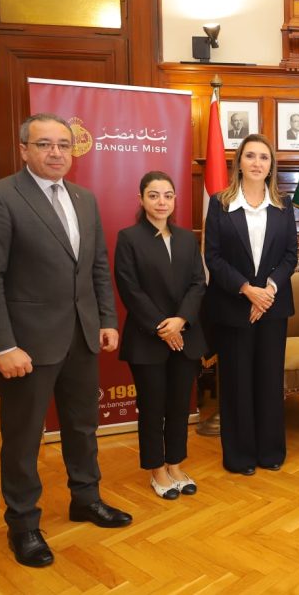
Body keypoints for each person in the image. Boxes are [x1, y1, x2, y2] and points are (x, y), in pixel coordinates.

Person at [0, 112, 132, 568]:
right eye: (44, 144)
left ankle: (86, 499)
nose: (56, 152)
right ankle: (23, 525)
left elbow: (96, 265)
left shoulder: (84, 198)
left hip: (81, 336)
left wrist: (106, 318)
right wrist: (3, 346)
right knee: (23, 439)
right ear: (24, 149)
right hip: (27, 345)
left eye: (63, 144)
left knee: (82, 426)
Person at [204, 134, 298, 475]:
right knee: (237, 383)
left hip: (273, 306)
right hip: (233, 306)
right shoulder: (220, 203)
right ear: (239, 163)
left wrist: (267, 291)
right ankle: (240, 456)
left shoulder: (284, 205)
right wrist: (247, 290)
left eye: (264, 157)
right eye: (250, 156)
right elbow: (213, 257)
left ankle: (270, 451)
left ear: (271, 165)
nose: (257, 162)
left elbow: (290, 255)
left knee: (269, 381)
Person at [114, 171, 207, 500]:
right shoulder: (129, 238)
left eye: (168, 195)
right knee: (152, 407)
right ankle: (156, 470)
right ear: (141, 200)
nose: (161, 202)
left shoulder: (186, 238)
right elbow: (129, 288)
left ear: (175, 199)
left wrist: (180, 321)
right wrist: (161, 327)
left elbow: (198, 283)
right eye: (153, 195)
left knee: (180, 406)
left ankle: (175, 465)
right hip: (147, 339)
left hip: (185, 336)